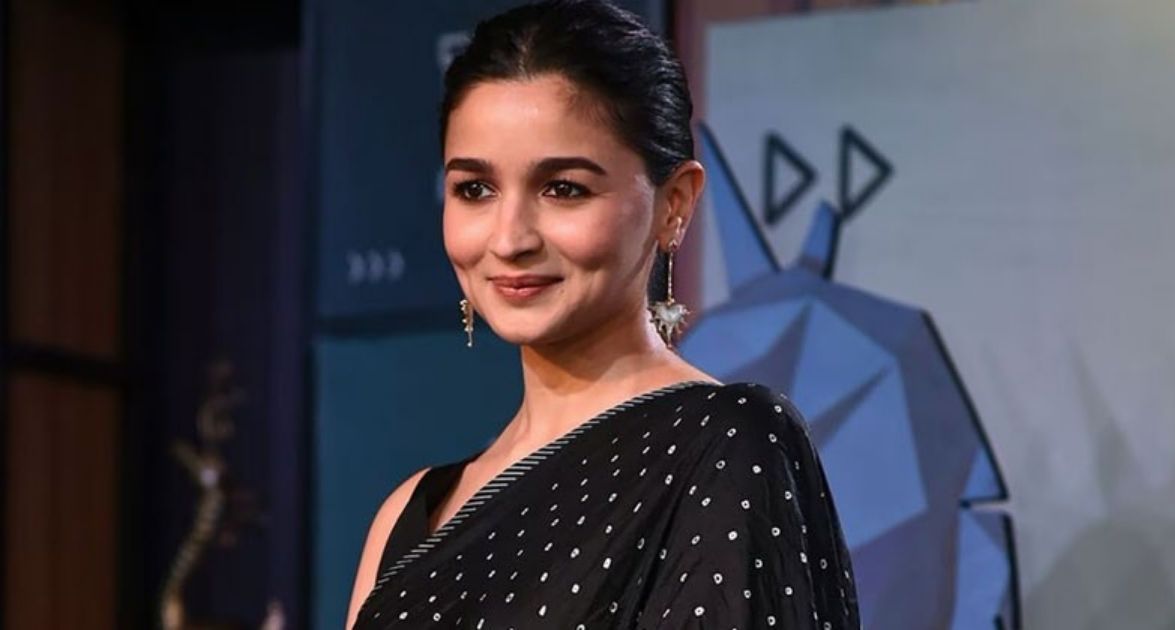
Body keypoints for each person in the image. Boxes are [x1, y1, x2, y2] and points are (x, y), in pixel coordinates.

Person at [345, 1, 860, 628]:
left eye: (563, 188)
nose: (509, 239)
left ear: (674, 204)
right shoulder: (408, 514)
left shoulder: (727, 443)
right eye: (475, 190)